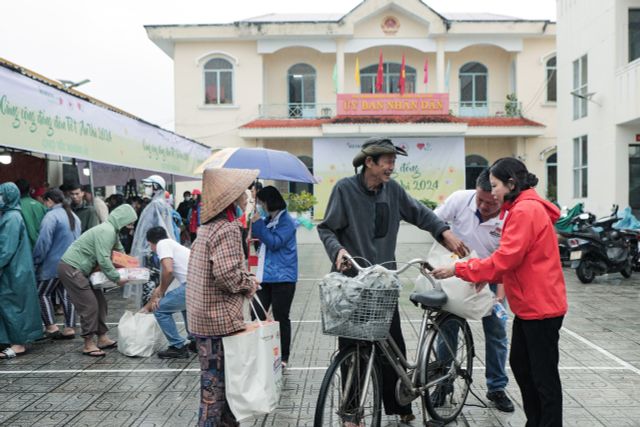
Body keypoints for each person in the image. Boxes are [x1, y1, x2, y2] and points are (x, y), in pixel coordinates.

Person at [317, 137, 468, 422]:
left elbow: (420, 213)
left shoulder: (392, 190)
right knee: (353, 349)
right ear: (369, 162)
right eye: (386, 160)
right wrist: (338, 251)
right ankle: (351, 412)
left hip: (384, 285)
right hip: (352, 285)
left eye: (393, 161)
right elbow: (327, 229)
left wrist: (444, 232)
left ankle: (400, 406)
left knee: (393, 350)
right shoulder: (344, 190)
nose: (391, 166)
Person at [431, 157, 567, 427]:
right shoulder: (521, 207)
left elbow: (506, 258)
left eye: (495, 186)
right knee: (522, 365)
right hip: (532, 305)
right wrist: (488, 274)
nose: (491, 192)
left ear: (511, 184)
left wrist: (460, 270)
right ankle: (536, 421)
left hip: (541, 306)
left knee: (542, 377)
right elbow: (514, 260)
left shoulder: (525, 211)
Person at [433, 168, 514, 412]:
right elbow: (433, 222)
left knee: (497, 331)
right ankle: (443, 383)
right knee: (447, 329)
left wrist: (500, 294)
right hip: (457, 275)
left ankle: (497, 387)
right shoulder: (460, 198)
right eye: (480, 200)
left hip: (491, 276)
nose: (484, 206)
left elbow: (507, 258)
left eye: (490, 203)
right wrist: (447, 238)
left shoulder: (509, 216)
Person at [187, 167, 260, 426]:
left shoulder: (207, 227)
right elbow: (227, 276)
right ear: (232, 198)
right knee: (215, 392)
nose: (246, 197)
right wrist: (249, 283)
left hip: (203, 319)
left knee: (218, 389)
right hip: (219, 320)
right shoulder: (227, 228)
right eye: (242, 193)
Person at [58, 204, 138, 357]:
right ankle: (88, 343)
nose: (130, 226)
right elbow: (103, 259)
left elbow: (119, 253)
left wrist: (132, 266)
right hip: (71, 268)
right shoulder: (106, 231)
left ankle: (102, 337)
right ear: (122, 219)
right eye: (129, 222)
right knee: (90, 305)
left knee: (101, 302)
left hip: (82, 270)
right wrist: (117, 277)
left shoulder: (112, 232)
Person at [250, 185, 297, 368]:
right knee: (256, 313)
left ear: (270, 202)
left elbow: (275, 242)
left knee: (280, 317)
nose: (260, 206)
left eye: (262, 203)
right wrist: (254, 224)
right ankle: (258, 351)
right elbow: (260, 242)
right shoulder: (268, 219)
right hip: (265, 276)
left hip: (283, 277)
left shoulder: (287, 222)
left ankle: (283, 356)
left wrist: (259, 225)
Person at [0, 182, 43, 359]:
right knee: (18, 304)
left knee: (12, 305)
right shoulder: (13, 215)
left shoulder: (11, 218)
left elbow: (6, 249)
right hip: (20, 267)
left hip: (13, 270)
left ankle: (18, 344)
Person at [33, 189, 81, 340]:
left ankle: (51, 327)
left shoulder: (51, 216)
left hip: (52, 264)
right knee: (67, 295)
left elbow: (43, 242)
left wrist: (36, 260)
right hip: (71, 263)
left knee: (41, 293)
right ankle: (70, 327)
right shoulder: (74, 216)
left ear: (49, 200)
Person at [144, 226, 194, 359]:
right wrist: (161, 289)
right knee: (185, 307)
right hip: (197, 284)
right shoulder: (172, 244)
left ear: (151, 242)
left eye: (150, 246)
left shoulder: (162, 244)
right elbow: (171, 272)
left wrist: (161, 291)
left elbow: (168, 270)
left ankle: (177, 346)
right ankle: (195, 341)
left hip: (191, 285)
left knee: (159, 309)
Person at [130, 175, 178, 306]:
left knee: (150, 284)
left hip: (151, 250)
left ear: (156, 187)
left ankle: (149, 312)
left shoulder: (156, 205)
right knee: (154, 282)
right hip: (155, 249)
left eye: (148, 186)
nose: (146, 189)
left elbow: (154, 228)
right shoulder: (161, 204)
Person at [15, 178, 47, 248]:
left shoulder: (15, 207)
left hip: (24, 248)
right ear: (29, 189)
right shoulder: (40, 206)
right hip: (40, 246)